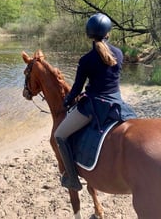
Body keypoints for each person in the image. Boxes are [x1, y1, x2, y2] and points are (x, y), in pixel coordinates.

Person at [54, 13, 137, 191]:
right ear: (108, 33)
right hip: (117, 103)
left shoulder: (86, 60)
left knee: (59, 135)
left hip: (95, 106)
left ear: (89, 34)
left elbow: (76, 89)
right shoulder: (119, 54)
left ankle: (72, 179)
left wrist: (67, 101)